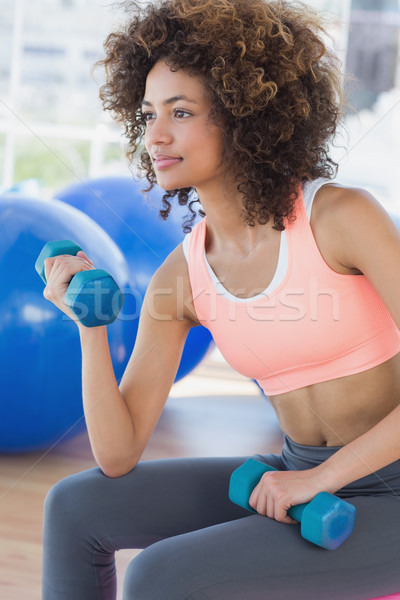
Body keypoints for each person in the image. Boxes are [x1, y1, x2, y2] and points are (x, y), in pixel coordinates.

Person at [41, 0, 400, 598]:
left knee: (161, 576)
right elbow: (118, 454)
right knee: (75, 507)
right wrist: (90, 323)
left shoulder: (342, 218)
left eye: (181, 112)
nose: (155, 134)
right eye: (149, 112)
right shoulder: (179, 277)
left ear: (244, 118)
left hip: (390, 487)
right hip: (297, 473)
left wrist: (323, 480)